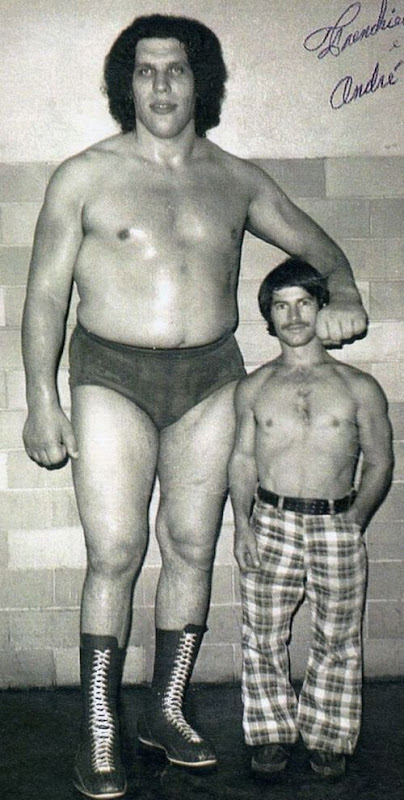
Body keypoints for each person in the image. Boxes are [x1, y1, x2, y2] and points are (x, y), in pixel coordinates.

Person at [21, 13, 367, 800]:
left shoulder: (236, 178)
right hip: (111, 372)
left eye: (175, 69)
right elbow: (44, 297)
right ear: (127, 84)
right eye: (145, 71)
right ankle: (99, 727)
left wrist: (343, 287)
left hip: (211, 376)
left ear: (198, 81)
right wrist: (40, 399)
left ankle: (165, 711)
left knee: (190, 547)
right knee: (115, 551)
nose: (161, 85)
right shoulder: (84, 175)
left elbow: (321, 248)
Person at [229, 257, 393, 781]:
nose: (294, 315)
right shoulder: (254, 387)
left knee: (338, 637)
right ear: (269, 317)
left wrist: (355, 520)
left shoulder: (358, 386)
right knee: (261, 635)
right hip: (271, 521)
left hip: (336, 522)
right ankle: (270, 735)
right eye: (281, 306)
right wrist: (242, 525)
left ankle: (327, 737)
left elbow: (380, 461)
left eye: (303, 302)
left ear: (322, 307)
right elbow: (242, 459)